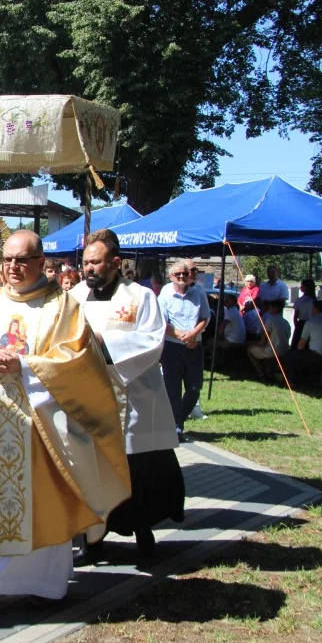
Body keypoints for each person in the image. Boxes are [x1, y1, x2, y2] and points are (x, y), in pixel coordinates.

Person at [0, 230, 130, 620]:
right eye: (7, 260)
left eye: (22, 260)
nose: (13, 267)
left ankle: (45, 587)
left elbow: (78, 362)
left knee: (45, 506)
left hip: (43, 430)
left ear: (41, 263)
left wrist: (24, 365)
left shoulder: (62, 307)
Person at [69, 229, 184, 562]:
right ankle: (92, 540)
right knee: (92, 473)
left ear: (115, 262)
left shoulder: (141, 297)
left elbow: (151, 342)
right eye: (85, 262)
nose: (88, 269)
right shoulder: (74, 297)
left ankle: (142, 531)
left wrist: (103, 342)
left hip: (132, 396)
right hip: (88, 400)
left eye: (96, 262)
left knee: (135, 473)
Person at [158, 259, 210, 440]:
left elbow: (205, 317)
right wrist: (184, 336)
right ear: (171, 276)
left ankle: (178, 419)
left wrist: (193, 335)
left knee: (195, 387)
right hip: (173, 347)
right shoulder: (165, 293)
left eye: (185, 273)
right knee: (173, 389)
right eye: (177, 274)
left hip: (194, 346)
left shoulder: (198, 292)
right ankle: (176, 426)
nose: (182, 277)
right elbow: (162, 323)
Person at [282, 300, 322, 384]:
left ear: (315, 309)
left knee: (289, 355)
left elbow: (300, 346)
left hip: (318, 356)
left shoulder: (310, 323)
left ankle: (291, 381)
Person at [246, 298, 291, 379]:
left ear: (275, 309)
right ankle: (268, 372)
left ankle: (261, 374)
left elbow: (263, 342)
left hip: (273, 351)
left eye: (270, 307)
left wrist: (254, 344)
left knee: (250, 350)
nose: (268, 309)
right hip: (284, 350)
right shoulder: (286, 322)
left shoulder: (270, 320)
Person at [291, 278, 316, 348]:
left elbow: (295, 316)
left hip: (302, 324)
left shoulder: (299, 300)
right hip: (313, 323)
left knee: (298, 345)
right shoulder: (315, 300)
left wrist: (297, 326)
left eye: (302, 286)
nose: (300, 287)